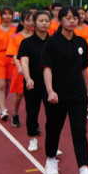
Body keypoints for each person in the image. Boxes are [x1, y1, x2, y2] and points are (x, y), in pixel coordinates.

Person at [41, 7, 88, 174]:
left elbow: (84, 70)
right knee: (54, 127)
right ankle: (51, 158)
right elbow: (47, 68)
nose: (72, 21)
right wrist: (50, 90)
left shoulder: (81, 42)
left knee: (79, 131)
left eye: (74, 18)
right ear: (60, 21)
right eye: (67, 18)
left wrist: (87, 91)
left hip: (77, 94)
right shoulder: (52, 43)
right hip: (57, 94)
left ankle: (84, 169)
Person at [18, 11, 51, 152]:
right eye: (41, 21)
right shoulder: (26, 43)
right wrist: (28, 78)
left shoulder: (54, 42)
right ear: (35, 23)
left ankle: (52, 142)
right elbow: (24, 62)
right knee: (32, 112)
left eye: (47, 21)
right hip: (33, 83)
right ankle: (32, 138)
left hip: (51, 84)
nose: (44, 23)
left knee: (53, 114)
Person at [7, 11, 35, 128]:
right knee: (19, 95)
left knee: (34, 97)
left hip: (35, 69)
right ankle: (15, 113)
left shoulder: (37, 36)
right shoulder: (15, 37)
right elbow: (14, 54)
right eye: (28, 20)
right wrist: (20, 67)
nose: (31, 23)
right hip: (21, 70)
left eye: (32, 20)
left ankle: (32, 121)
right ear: (22, 22)